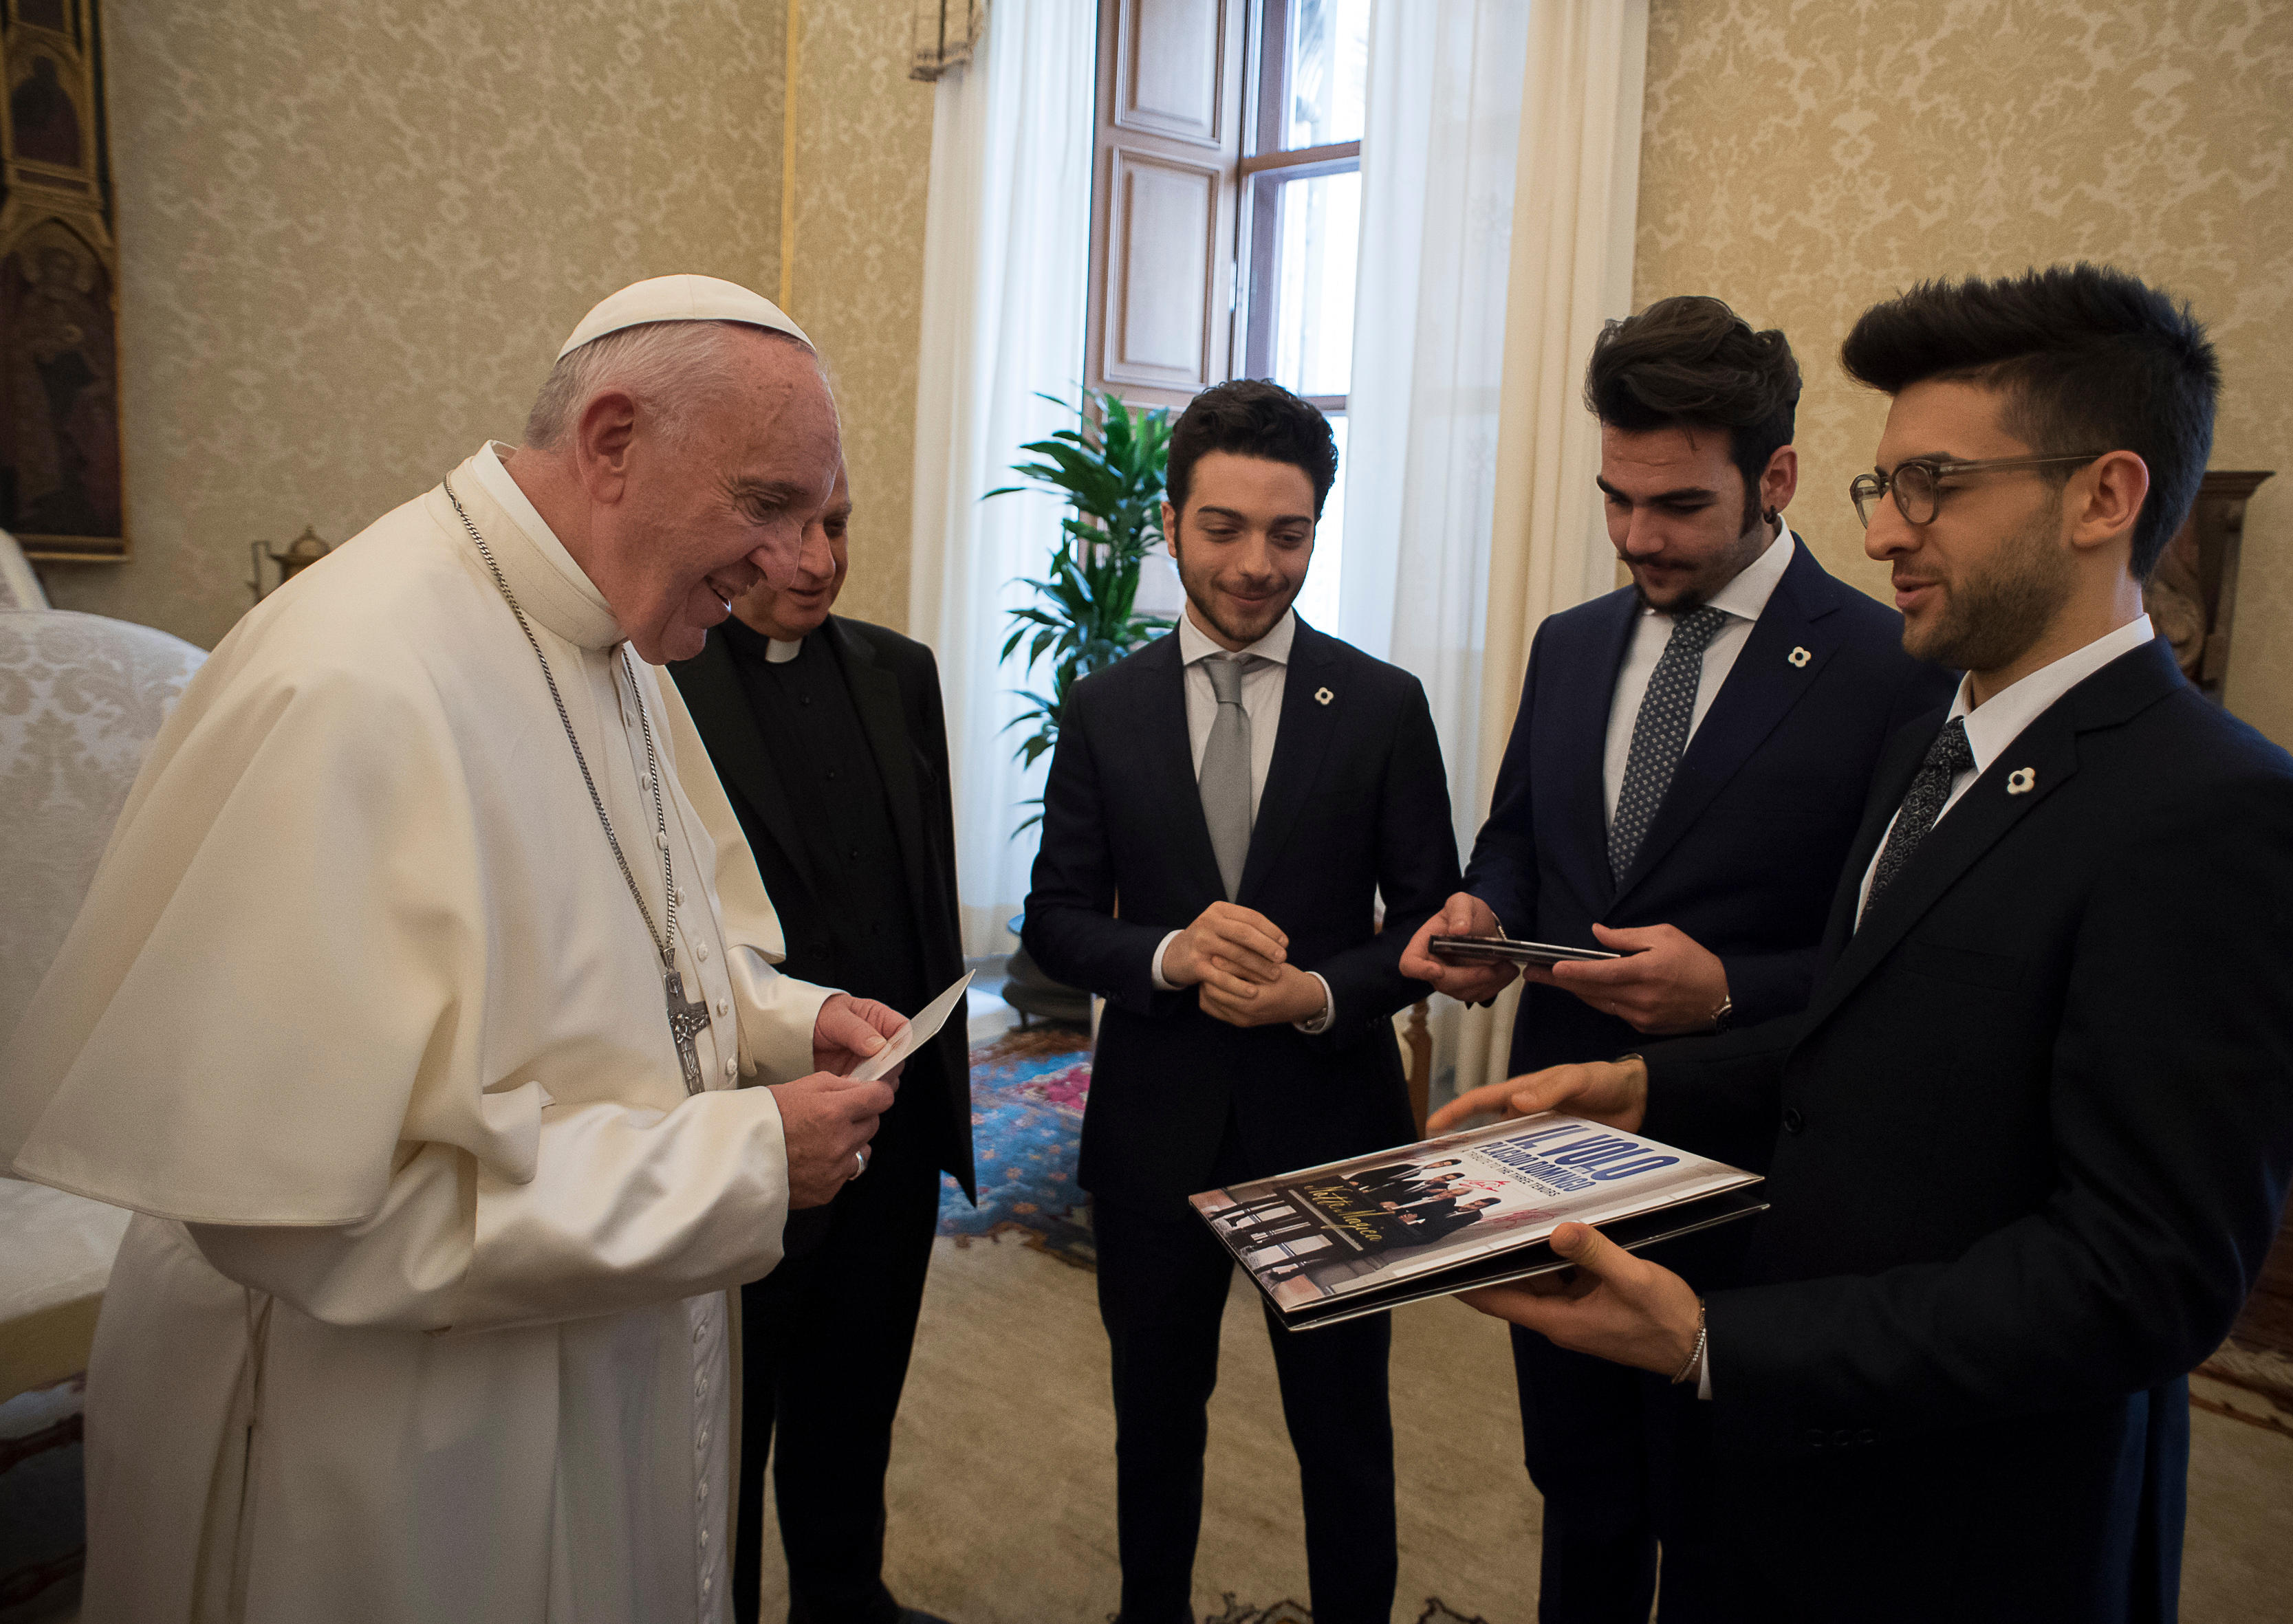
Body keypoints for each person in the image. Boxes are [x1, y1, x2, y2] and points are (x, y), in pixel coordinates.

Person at [1440, 264, 2293, 1623]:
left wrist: (1715, 1337)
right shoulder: (1952, 743)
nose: (1882, 534)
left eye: (1933, 487)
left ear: (2102, 497)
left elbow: (2140, 1280)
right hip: (1795, 1459)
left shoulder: (2225, 816)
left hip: (1966, 1515)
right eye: (1884, 487)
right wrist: (1636, 1085)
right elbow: (1868, 1037)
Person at [0, 275, 912, 1624]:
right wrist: (745, 1159)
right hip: (404, 1428)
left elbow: (648, 929)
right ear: (613, 441)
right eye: (767, 504)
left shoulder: (615, 638)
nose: (796, 562)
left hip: (603, 1339)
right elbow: (318, 1219)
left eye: (814, 513)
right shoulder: (350, 678)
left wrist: (783, 1017)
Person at [1395, 294, 1951, 1619]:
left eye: (1681, 505)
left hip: (1753, 1163)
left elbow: (1907, 959)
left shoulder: (1891, 667)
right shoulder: (1570, 641)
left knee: (1722, 1508)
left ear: (1778, 477)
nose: (1639, 535)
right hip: (1550, 1135)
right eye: (1616, 497)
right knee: (1578, 1481)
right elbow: (1519, 838)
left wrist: (1731, 991)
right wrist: (1484, 912)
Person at [1022, 379, 1463, 1624]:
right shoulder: (1104, 706)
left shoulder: (1381, 704)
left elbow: (1428, 921)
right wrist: (1170, 956)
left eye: (1289, 532)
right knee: (1156, 1427)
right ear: (1169, 522)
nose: (1257, 564)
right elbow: (1054, 917)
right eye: (1222, 528)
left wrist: (1317, 992)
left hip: (1334, 1128)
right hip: (1152, 1132)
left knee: (1345, 1436)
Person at [669, 448, 971, 1624]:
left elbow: (927, 889)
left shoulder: (902, 671)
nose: (817, 561)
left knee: (858, 1388)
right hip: (749, 1121)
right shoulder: (661, 683)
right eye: (789, 531)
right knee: (728, 1420)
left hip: (892, 1114)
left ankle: (845, 1598)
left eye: (837, 527)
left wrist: (936, 1104)